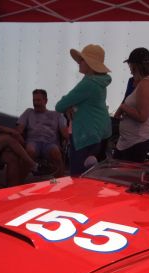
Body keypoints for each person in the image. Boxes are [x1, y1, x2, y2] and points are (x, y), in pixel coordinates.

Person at [55, 44, 112, 176]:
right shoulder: (99, 82)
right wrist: (70, 105)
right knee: (91, 177)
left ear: (90, 64)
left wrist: (69, 105)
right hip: (97, 134)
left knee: (78, 178)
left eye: (82, 60)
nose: (79, 62)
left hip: (85, 136)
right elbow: (71, 101)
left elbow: (60, 105)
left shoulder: (89, 83)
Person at [113, 48, 149, 162]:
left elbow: (142, 116)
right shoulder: (148, 82)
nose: (130, 70)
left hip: (137, 141)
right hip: (131, 141)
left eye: (130, 65)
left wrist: (123, 107)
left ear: (135, 65)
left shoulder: (146, 84)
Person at [16, 89, 68, 178]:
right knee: (29, 151)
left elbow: (65, 132)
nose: (35, 103)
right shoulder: (28, 112)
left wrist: (69, 140)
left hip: (50, 143)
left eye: (38, 100)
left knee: (56, 152)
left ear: (46, 101)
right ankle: (19, 183)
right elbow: (19, 129)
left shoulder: (56, 115)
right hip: (33, 141)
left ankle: (61, 184)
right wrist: (18, 138)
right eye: (34, 100)